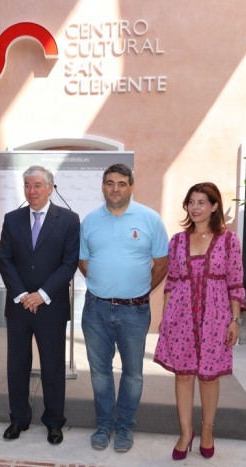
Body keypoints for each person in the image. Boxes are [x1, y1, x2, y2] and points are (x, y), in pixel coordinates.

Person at [78, 163, 168, 453]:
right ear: (102, 186)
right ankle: (104, 425)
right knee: (99, 371)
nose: (114, 188)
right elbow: (83, 261)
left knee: (133, 372)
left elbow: (162, 264)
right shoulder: (90, 221)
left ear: (131, 186)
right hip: (96, 310)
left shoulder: (150, 219)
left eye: (120, 183)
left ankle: (126, 426)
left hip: (134, 311)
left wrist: (140, 291)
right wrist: (102, 284)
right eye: (109, 183)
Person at [153, 182, 246, 460]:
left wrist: (235, 321)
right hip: (180, 317)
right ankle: (185, 432)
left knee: (208, 377)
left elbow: (236, 283)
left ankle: (207, 429)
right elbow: (170, 283)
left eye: (201, 202)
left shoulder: (229, 241)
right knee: (183, 375)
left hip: (216, 318)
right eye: (191, 202)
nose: (194, 207)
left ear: (214, 206)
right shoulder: (177, 241)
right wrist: (165, 319)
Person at [0, 165, 80, 445]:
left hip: (51, 306)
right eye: (27, 186)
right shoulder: (12, 219)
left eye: (36, 186)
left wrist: (42, 294)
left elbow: (69, 263)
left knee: (53, 367)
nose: (31, 192)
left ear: (50, 187)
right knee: (17, 365)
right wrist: (22, 294)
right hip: (20, 306)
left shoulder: (69, 220)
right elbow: (5, 259)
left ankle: (54, 422)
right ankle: (18, 418)